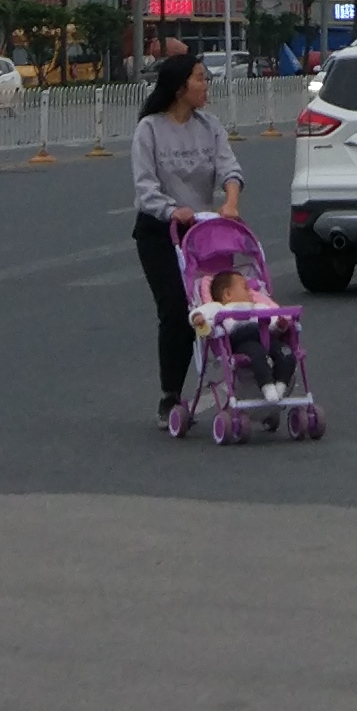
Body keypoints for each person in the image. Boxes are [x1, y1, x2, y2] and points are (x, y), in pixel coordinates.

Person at [130, 43, 245, 425]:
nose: (206, 84)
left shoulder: (210, 127)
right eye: (199, 79)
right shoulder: (149, 129)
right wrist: (171, 210)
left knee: (219, 307)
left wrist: (230, 202)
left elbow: (229, 169)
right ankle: (170, 396)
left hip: (204, 232)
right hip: (161, 231)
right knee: (177, 311)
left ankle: (241, 382)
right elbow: (145, 188)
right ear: (180, 87)